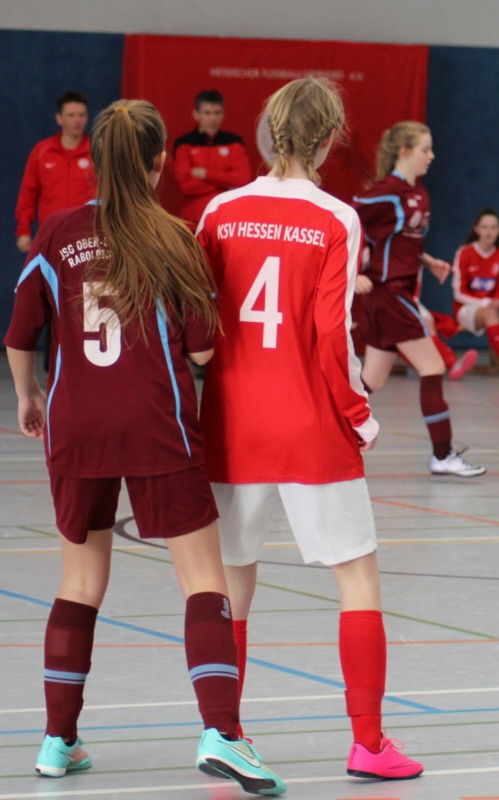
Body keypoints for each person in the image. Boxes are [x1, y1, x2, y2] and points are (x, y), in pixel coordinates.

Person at [4, 99, 285, 797]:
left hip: (76, 425)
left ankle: (57, 740)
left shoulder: (56, 233)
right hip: (158, 423)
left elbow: (19, 335)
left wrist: (28, 396)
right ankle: (222, 733)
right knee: (203, 579)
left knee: (79, 583)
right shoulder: (174, 238)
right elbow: (202, 349)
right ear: (161, 161)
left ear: (95, 161)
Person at [197, 77, 424, 781]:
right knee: (357, 578)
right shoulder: (335, 218)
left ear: (268, 132)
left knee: (230, 587)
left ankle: (226, 734)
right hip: (309, 426)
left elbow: (196, 321)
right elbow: (330, 335)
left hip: (230, 425)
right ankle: (369, 744)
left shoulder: (219, 210)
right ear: (328, 140)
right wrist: (358, 415)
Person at [353, 121, 485, 477]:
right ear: (405, 151)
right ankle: (442, 455)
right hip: (389, 292)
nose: (432, 156)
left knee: (372, 380)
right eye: (425, 149)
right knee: (433, 366)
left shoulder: (418, 192)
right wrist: (352, 273)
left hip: (396, 292)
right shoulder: (385, 192)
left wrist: (427, 261)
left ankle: (323, 433)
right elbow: (342, 223)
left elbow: (400, 241)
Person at [15, 90, 96, 254]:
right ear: (59, 118)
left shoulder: (97, 152)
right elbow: (28, 193)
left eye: (82, 115)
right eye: (71, 115)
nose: (77, 120)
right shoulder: (42, 151)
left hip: (87, 236)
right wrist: (23, 230)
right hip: (51, 235)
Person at [173, 89, 252, 230]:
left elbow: (243, 179)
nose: (213, 118)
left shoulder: (234, 142)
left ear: (223, 114)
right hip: (192, 223)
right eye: (207, 113)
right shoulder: (183, 144)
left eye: (217, 113)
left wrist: (204, 173)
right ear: (196, 114)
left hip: (226, 220)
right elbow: (185, 186)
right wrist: (225, 184)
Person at [452, 207, 499, 362]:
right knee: (489, 313)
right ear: (476, 229)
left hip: (493, 308)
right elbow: (458, 293)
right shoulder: (464, 253)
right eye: (484, 227)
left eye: (493, 227)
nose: (489, 232)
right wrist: (485, 302)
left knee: (491, 312)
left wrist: (494, 303)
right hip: (467, 309)